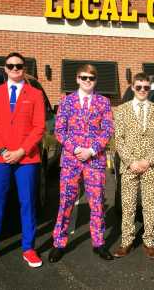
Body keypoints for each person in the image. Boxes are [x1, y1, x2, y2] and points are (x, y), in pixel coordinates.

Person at [0, 52, 45, 268]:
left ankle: (29, 248)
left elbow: (39, 127)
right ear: (5, 68)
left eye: (19, 66)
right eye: (11, 66)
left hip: (27, 158)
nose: (15, 69)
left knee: (28, 203)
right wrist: (3, 150)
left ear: (25, 68)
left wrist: (21, 151)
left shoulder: (35, 94)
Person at [49, 64, 114, 262]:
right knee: (66, 201)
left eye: (91, 78)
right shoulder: (66, 102)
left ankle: (99, 242)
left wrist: (92, 150)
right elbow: (59, 130)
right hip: (71, 159)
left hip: (95, 160)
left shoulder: (104, 102)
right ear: (77, 78)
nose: (87, 81)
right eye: (84, 77)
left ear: (95, 80)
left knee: (96, 203)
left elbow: (108, 130)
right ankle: (59, 243)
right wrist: (76, 149)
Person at [113, 73, 154, 259]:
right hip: (129, 166)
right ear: (133, 87)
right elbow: (118, 140)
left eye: (146, 87)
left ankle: (149, 242)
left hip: (150, 166)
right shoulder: (121, 110)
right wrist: (131, 162)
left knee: (150, 205)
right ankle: (126, 241)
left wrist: (147, 161)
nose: (143, 90)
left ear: (149, 89)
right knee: (128, 206)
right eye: (139, 87)